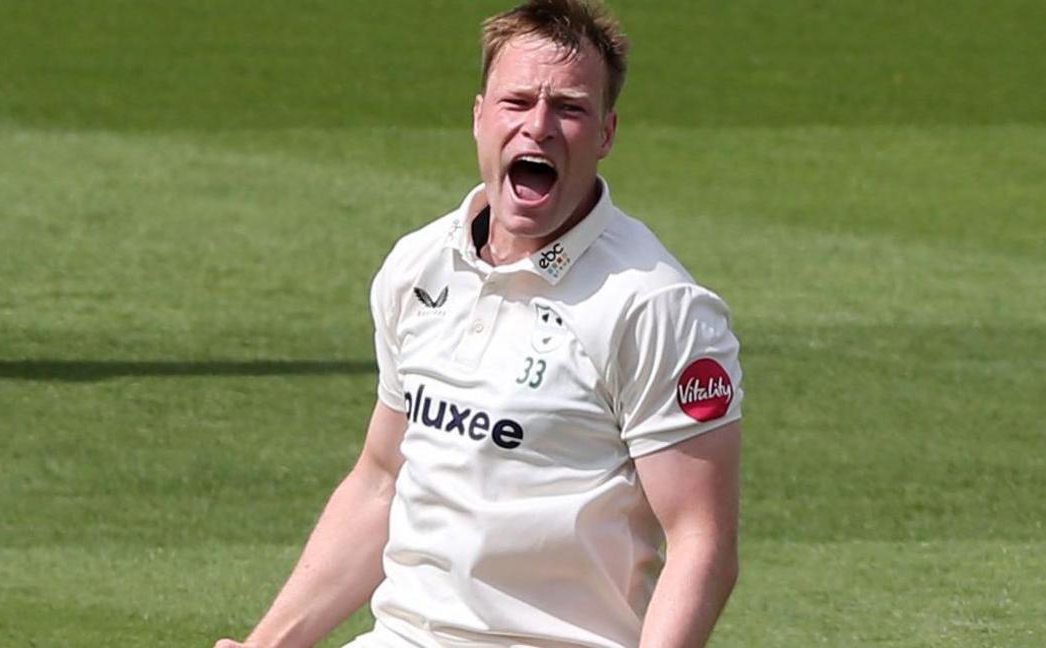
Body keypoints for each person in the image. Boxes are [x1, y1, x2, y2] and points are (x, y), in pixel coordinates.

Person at [216, 1, 743, 646]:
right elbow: (383, 477)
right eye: (516, 101)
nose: (539, 127)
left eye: (569, 109)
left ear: (606, 134)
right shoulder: (420, 265)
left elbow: (701, 540)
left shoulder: (656, 306)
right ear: (478, 117)